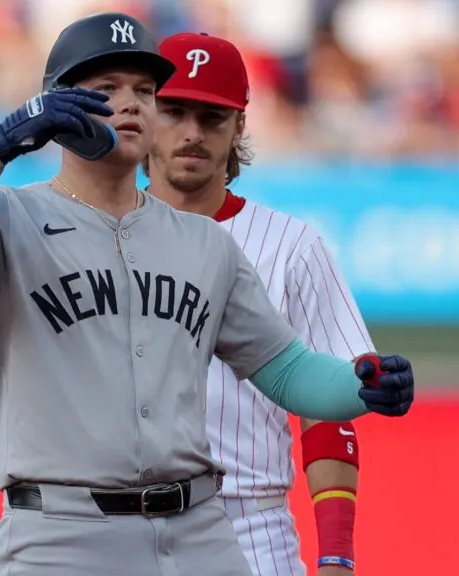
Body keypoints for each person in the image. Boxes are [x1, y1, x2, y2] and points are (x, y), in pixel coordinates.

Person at [0, 12, 415, 576]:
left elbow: (289, 373)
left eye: (144, 90)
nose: (131, 103)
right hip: (60, 538)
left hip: (199, 536)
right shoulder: (8, 219)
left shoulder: (205, 243)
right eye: (107, 88)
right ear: (57, 102)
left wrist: (363, 385)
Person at [144, 33, 375, 575]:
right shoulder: (97, 236)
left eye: (212, 117)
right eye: (174, 112)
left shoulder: (291, 245)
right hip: (119, 528)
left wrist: (336, 556)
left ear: (240, 126)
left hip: (248, 526)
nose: (192, 132)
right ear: (146, 115)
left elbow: (327, 412)